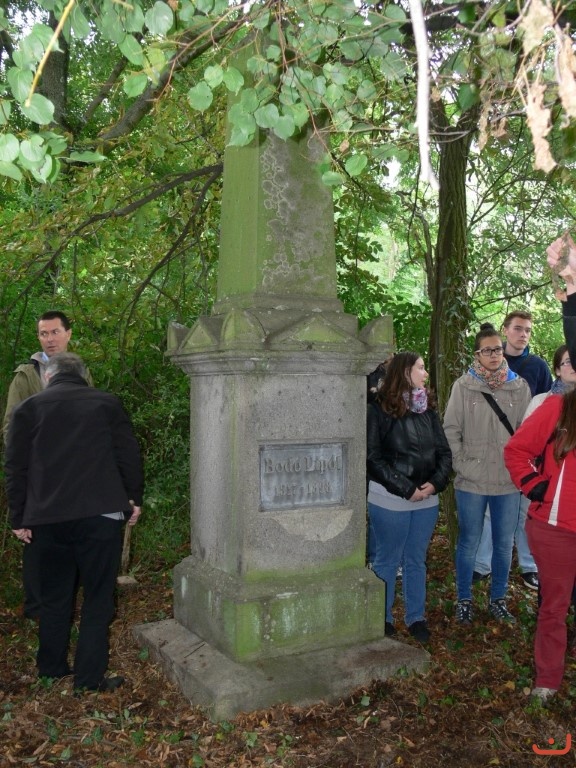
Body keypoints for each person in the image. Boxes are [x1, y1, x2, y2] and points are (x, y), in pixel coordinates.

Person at [4, 352, 143, 692]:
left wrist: (19, 517)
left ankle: (51, 669)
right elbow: (128, 455)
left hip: (48, 519)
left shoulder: (28, 409)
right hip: (101, 516)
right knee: (98, 598)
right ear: (82, 375)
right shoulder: (106, 404)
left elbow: (15, 467)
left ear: (48, 377)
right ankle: (88, 679)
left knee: (54, 597)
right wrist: (133, 499)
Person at [506, 231, 576, 704]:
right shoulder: (556, 407)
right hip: (554, 530)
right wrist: (537, 488)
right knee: (554, 607)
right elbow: (516, 451)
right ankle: (547, 681)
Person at [3, 310, 93, 620]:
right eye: (44, 333)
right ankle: (37, 609)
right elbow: (11, 427)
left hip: (75, 475)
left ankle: (67, 603)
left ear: (68, 334)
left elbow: (90, 420)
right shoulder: (27, 376)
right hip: (39, 476)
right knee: (38, 541)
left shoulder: (81, 372)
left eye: (55, 332)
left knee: (75, 536)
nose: (50, 339)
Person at [444, 323, 532, 625]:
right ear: (477, 354)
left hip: (507, 481)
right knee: (469, 541)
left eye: (497, 349)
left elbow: (526, 434)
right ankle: (464, 599)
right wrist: (462, 464)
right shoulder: (463, 386)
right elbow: (451, 430)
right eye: (487, 350)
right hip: (471, 480)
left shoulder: (519, 387)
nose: (494, 354)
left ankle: (498, 599)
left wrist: (519, 469)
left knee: (504, 543)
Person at [366, 352, 452, 643]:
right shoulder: (377, 409)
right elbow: (373, 458)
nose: (425, 374)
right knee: (387, 559)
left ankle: (416, 617)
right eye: (421, 368)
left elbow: (444, 453)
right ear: (404, 372)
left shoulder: (426, 409)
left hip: (426, 499)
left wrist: (434, 484)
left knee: (416, 560)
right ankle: (382, 619)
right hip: (389, 500)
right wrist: (406, 488)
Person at [473, 311, 553, 591]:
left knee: (526, 511)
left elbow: (548, 408)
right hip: (493, 450)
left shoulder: (538, 367)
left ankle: (529, 566)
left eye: (528, 330)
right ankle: (482, 564)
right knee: (489, 511)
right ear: (505, 330)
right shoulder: (489, 361)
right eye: (518, 328)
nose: (523, 334)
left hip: (529, 452)